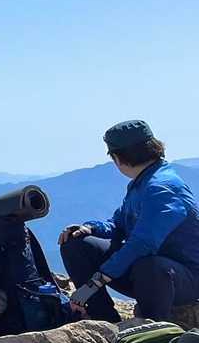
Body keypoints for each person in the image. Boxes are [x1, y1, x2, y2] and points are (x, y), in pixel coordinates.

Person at [61, 121, 199, 322]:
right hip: (147, 271)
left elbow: (142, 244)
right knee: (76, 243)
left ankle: (153, 326)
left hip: (182, 278)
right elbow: (118, 224)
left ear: (117, 158)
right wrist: (89, 228)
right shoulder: (143, 182)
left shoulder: (162, 187)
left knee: (149, 265)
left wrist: (96, 282)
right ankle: (104, 320)